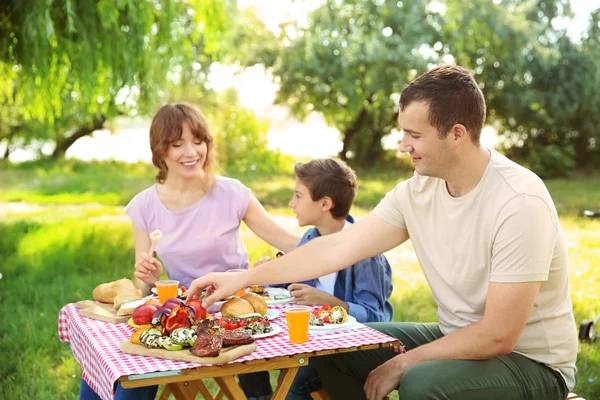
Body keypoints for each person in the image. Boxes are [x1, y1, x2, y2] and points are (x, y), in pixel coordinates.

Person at [188, 65, 578, 400]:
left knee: (421, 382)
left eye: (415, 134)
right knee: (337, 346)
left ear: (456, 134)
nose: (403, 144)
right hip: (454, 334)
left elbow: (498, 336)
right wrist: (243, 278)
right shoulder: (418, 190)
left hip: (530, 362)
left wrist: (404, 362)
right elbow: (337, 247)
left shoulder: (519, 202)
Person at [79, 103, 300, 400]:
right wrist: (150, 276)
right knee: (114, 364)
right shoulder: (144, 206)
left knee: (255, 389)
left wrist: (337, 240)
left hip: (235, 309)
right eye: (177, 144)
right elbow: (143, 285)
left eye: (198, 142)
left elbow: (287, 241)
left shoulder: (232, 193)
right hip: (183, 313)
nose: (191, 152)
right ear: (161, 151)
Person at [238, 158, 394, 400]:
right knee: (247, 349)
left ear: (325, 203)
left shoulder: (365, 253)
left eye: (298, 196)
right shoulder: (311, 238)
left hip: (347, 350)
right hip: (313, 341)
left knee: (296, 378)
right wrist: (269, 275)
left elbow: (377, 318)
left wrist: (330, 302)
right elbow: (294, 280)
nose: (291, 203)